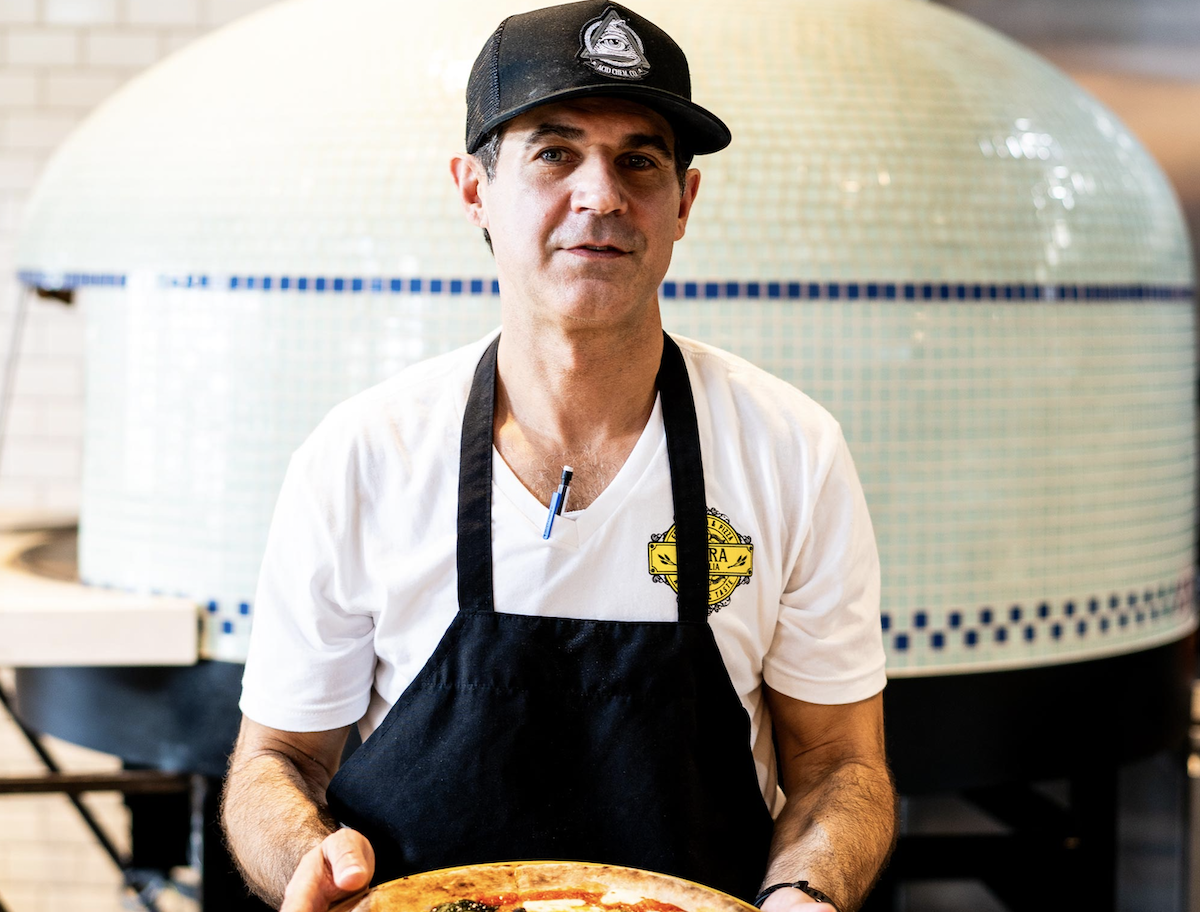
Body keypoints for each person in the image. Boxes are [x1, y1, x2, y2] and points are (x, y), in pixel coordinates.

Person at [221, 3, 896, 912]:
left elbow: (838, 766)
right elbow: (278, 761)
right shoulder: (363, 456)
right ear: (474, 190)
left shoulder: (791, 452)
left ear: (684, 202)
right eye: (554, 152)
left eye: (640, 160)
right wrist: (307, 859)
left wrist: (806, 894)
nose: (602, 195)